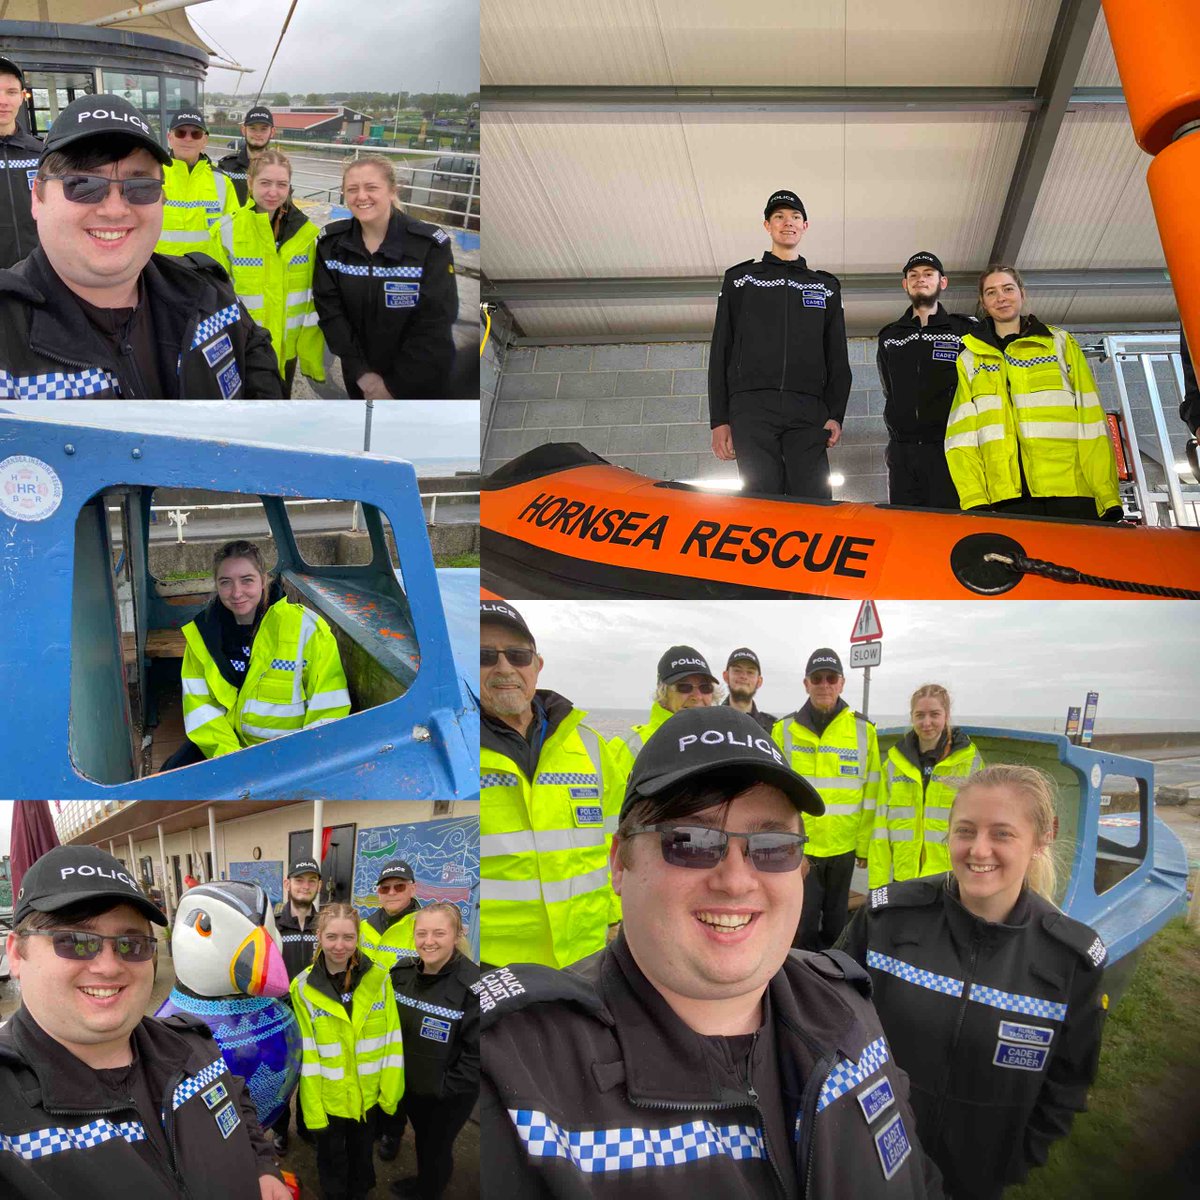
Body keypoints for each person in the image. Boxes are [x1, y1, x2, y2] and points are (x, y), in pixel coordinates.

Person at [479, 706, 942, 1197]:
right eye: (690, 841)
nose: (736, 880)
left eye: (772, 845)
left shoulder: (849, 1008)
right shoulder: (520, 1081)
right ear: (619, 863)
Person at [839, 765, 1108, 1200]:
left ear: (1042, 840)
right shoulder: (887, 921)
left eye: (1002, 834)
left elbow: (1068, 1082)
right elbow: (831, 1023)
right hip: (868, 1163)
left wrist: (1017, 1157)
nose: (978, 850)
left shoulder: (1069, 960)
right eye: (965, 831)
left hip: (976, 1180)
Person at [0, 845, 289, 1199]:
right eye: (76, 941)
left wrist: (262, 1165)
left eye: (131, 944)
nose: (109, 967)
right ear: (16, 953)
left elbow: (236, 1100)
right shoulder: (11, 1127)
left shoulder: (191, 1044)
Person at [0, 94, 282, 399]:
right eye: (82, 184)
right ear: (37, 197)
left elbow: (265, 398)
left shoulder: (212, 299)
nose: (115, 210)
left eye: (141, 187)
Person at [480, 599, 623, 969]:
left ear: (537, 665)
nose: (504, 668)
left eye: (518, 655)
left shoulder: (591, 746)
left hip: (588, 955)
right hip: (497, 969)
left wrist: (615, 916)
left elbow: (618, 841)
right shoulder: (453, 749)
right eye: (484, 656)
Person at [945, 264, 1122, 521]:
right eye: (991, 292)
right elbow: (962, 436)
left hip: (1071, 491)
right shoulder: (969, 359)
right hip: (1006, 499)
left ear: (1022, 293)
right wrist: (974, 497)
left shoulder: (1060, 344)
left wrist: (1106, 493)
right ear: (983, 302)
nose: (1001, 297)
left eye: (1008, 289)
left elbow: (1091, 420)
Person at [707, 189, 851, 499]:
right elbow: (721, 350)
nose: (788, 223)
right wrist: (719, 419)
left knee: (814, 498)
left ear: (805, 226)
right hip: (751, 408)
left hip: (808, 408)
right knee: (761, 500)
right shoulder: (741, 280)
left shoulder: (824, 286)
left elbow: (837, 355)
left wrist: (836, 413)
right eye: (779, 217)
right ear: (767, 225)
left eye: (795, 217)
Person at [170, 539, 351, 768]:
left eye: (247, 580)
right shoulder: (202, 637)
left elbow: (328, 707)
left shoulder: (307, 629)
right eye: (226, 582)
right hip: (229, 754)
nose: (237, 593)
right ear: (216, 585)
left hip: (294, 759)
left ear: (264, 580)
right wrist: (234, 761)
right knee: (169, 773)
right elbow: (200, 708)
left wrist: (302, 763)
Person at [314, 155, 458, 399]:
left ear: (392, 190)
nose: (361, 196)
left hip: (420, 380)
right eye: (352, 189)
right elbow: (330, 313)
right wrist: (361, 372)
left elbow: (435, 322)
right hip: (361, 380)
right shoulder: (331, 245)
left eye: (371, 187)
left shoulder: (429, 246)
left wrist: (393, 386)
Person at [291, 903, 404, 1200]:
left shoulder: (380, 979)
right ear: (319, 936)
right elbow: (308, 1055)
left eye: (348, 937)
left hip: (368, 1097)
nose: (339, 946)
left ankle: (359, 1192)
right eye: (331, 937)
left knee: (362, 1155)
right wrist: (313, 1110)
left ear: (358, 938)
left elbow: (393, 1040)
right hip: (329, 1098)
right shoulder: (303, 988)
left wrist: (390, 1094)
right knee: (330, 1158)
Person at [772, 648, 880, 951]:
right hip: (801, 847)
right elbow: (776, 794)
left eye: (831, 678)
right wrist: (782, 841)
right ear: (806, 684)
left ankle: (833, 974)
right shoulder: (784, 730)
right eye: (817, 678)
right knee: (802, 924)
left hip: (844, 848)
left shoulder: (864, 731)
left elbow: (871, 793)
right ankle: (802, 974)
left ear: (842, 683)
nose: (824, 685)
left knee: (836, 924)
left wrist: (864, 846)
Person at [207, 149, 325, 396]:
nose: (273, 192)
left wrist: (309, 353)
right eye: (265, 183)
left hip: (287, 351)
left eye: (282, 184)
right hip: (245, 348)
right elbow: (216, 297)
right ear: (250, 183)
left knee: (280, 406)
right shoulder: (226, 231)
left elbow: (312, 300)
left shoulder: (306, 236)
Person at [389, 902, 480, 1200]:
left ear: (457, 935)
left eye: (439, 933)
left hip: (447, 1097)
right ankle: (424, 1182)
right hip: (411, 1085)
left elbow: (477, 1054)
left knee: (436, 1147)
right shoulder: (401, 974)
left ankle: (429, 1191)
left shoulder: (473, 986)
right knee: (422, 1142)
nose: (429, 941)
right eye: (422, 933)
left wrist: (444, 1089)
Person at [876, 252, 977, 508]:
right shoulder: (890, 336)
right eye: (914, 275)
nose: (920, 279)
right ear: (905, 284)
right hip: (902, 453)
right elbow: (889, 389)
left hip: (949, 448)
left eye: (928, 274)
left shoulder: (964, 331)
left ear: (943, 282)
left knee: (949, 523)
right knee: (906, 524)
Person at [868, 684, 984, 889]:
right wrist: (878, 885)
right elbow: (880, 829)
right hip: (905, 876)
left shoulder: (968, 761)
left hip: (950, 877)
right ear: (912, 717)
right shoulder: (894, 764)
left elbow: (982, 824)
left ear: (946, 715)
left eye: (934, 714)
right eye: (920, 715)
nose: (927, 722)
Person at [269, 856, 323, 1155]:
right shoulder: (272, 926)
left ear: (319, 886)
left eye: (311, 880)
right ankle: (280, 1129)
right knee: (281, 1077)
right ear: (287, 884)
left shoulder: (325, 925)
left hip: (316, 1018)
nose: (305, 886)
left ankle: (305, 1125)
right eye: (299, 880)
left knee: (311, 1076)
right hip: (281, 1017)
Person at [612, 644, 721, 768]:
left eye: (705, 687)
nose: (697, 696)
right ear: (663, 693)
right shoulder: (630, 746)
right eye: (684, 687)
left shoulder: (725, 742)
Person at [156, 110, 238, 258]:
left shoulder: (222, 182)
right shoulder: (153, 177)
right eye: (181, 133)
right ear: (170, 138)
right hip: (160, 269)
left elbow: (236, 234)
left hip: (208, 270)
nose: (188, 139)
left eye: (196, 134)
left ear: (204, 140)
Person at [0, 54, 41, 270]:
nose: (3, 101)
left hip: (38, 272)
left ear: (23, 97)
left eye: (11, 92)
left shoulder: (41, 154)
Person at [217, 106, 276, 207]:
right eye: (252, 128)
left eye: (263, 129)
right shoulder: (226, 167)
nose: (258, 134)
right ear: (244, 130)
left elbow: (287, 207)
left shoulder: (279, 169)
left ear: (272, 132)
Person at [722, 646, 776, 733]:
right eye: (737, 670)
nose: (743, 676)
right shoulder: (709, 721)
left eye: (750, 672)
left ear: (759, 681)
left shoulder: (773, 729)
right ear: (726, 676)